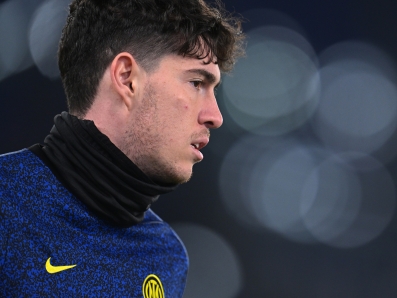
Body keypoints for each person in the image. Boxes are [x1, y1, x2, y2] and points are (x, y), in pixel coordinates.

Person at [0, 0, 244, 296]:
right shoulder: (7, 203)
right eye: (196, 83)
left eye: (213, 90)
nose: (215, 116)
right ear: (127, 78)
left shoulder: (166, 256)